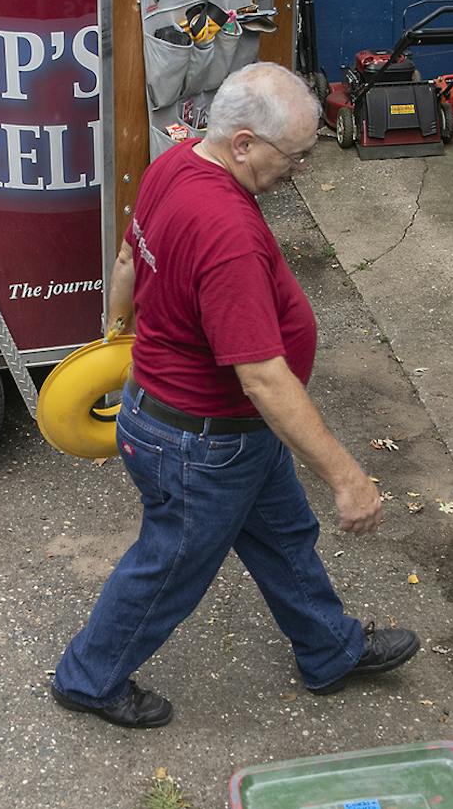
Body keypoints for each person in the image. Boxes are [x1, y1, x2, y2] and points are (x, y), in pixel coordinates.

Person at [50, 62, 420, 729]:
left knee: (283, 536)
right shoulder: (226, 231)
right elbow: (263, 376)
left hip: (217, 430)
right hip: (201, 445)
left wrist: (117, 332)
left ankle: (328, 650)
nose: (303, 168)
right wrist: (348, 477)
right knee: (168, 568)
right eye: (296, 155)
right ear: (244, 141)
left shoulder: (177, 161)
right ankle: (88, 678)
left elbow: (130, 260)